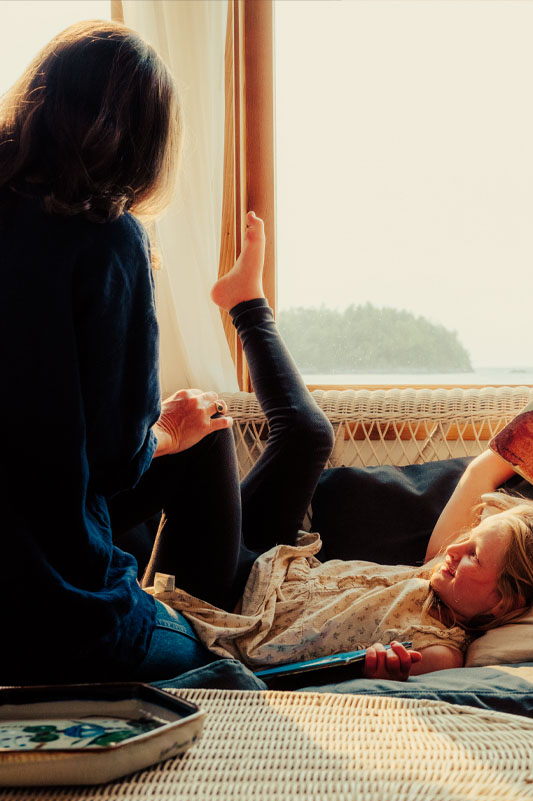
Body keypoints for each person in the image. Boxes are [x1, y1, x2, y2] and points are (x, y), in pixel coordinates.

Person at [0, 20, 333, 686]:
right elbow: (115, 461)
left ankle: (245, 304)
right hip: (52, 619)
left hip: (35, 546)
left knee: (227, 432)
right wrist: (161, 434)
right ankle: (247, 305)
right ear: (144, 143)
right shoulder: (105, 237)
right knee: (226, 673)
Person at [150, 212, 533, 681]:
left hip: (223, 606)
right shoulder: (436, 565)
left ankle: (94, 515)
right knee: (310, 434)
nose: (456, 549)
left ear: (505, 603)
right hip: (266, 565)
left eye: (473, 555)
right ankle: (245, 301)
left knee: (209, 433)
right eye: (467, 541)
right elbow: (484, 470)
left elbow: (371, 674)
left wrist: (380, 670)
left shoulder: (442, 648)